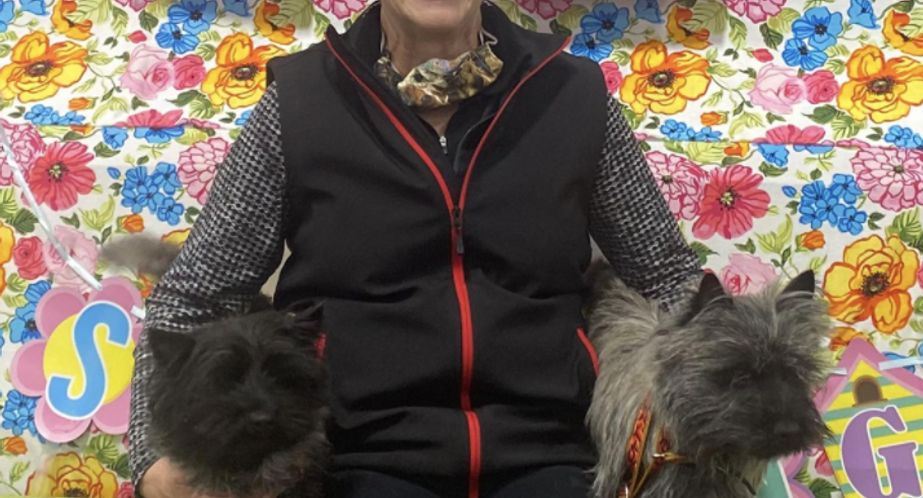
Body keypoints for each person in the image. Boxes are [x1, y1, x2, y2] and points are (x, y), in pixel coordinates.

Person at [129, 1, 702, 497]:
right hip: (352, 460)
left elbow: (670, 280)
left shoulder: (572, 95)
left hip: (556, 454)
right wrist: (153, 464)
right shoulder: (300, 102)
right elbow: (192, 300)